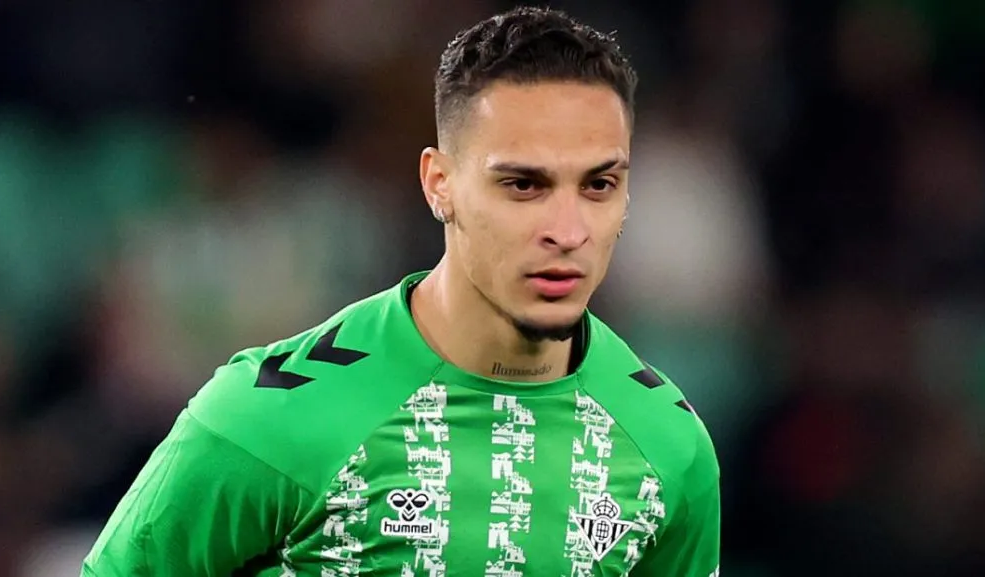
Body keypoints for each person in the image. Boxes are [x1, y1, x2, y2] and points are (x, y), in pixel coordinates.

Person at [81, 6, 720, 576]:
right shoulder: (270, 416)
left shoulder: (668, 445)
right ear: (439, 183)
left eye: (599, 186)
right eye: (523, 185)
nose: (567, 230)